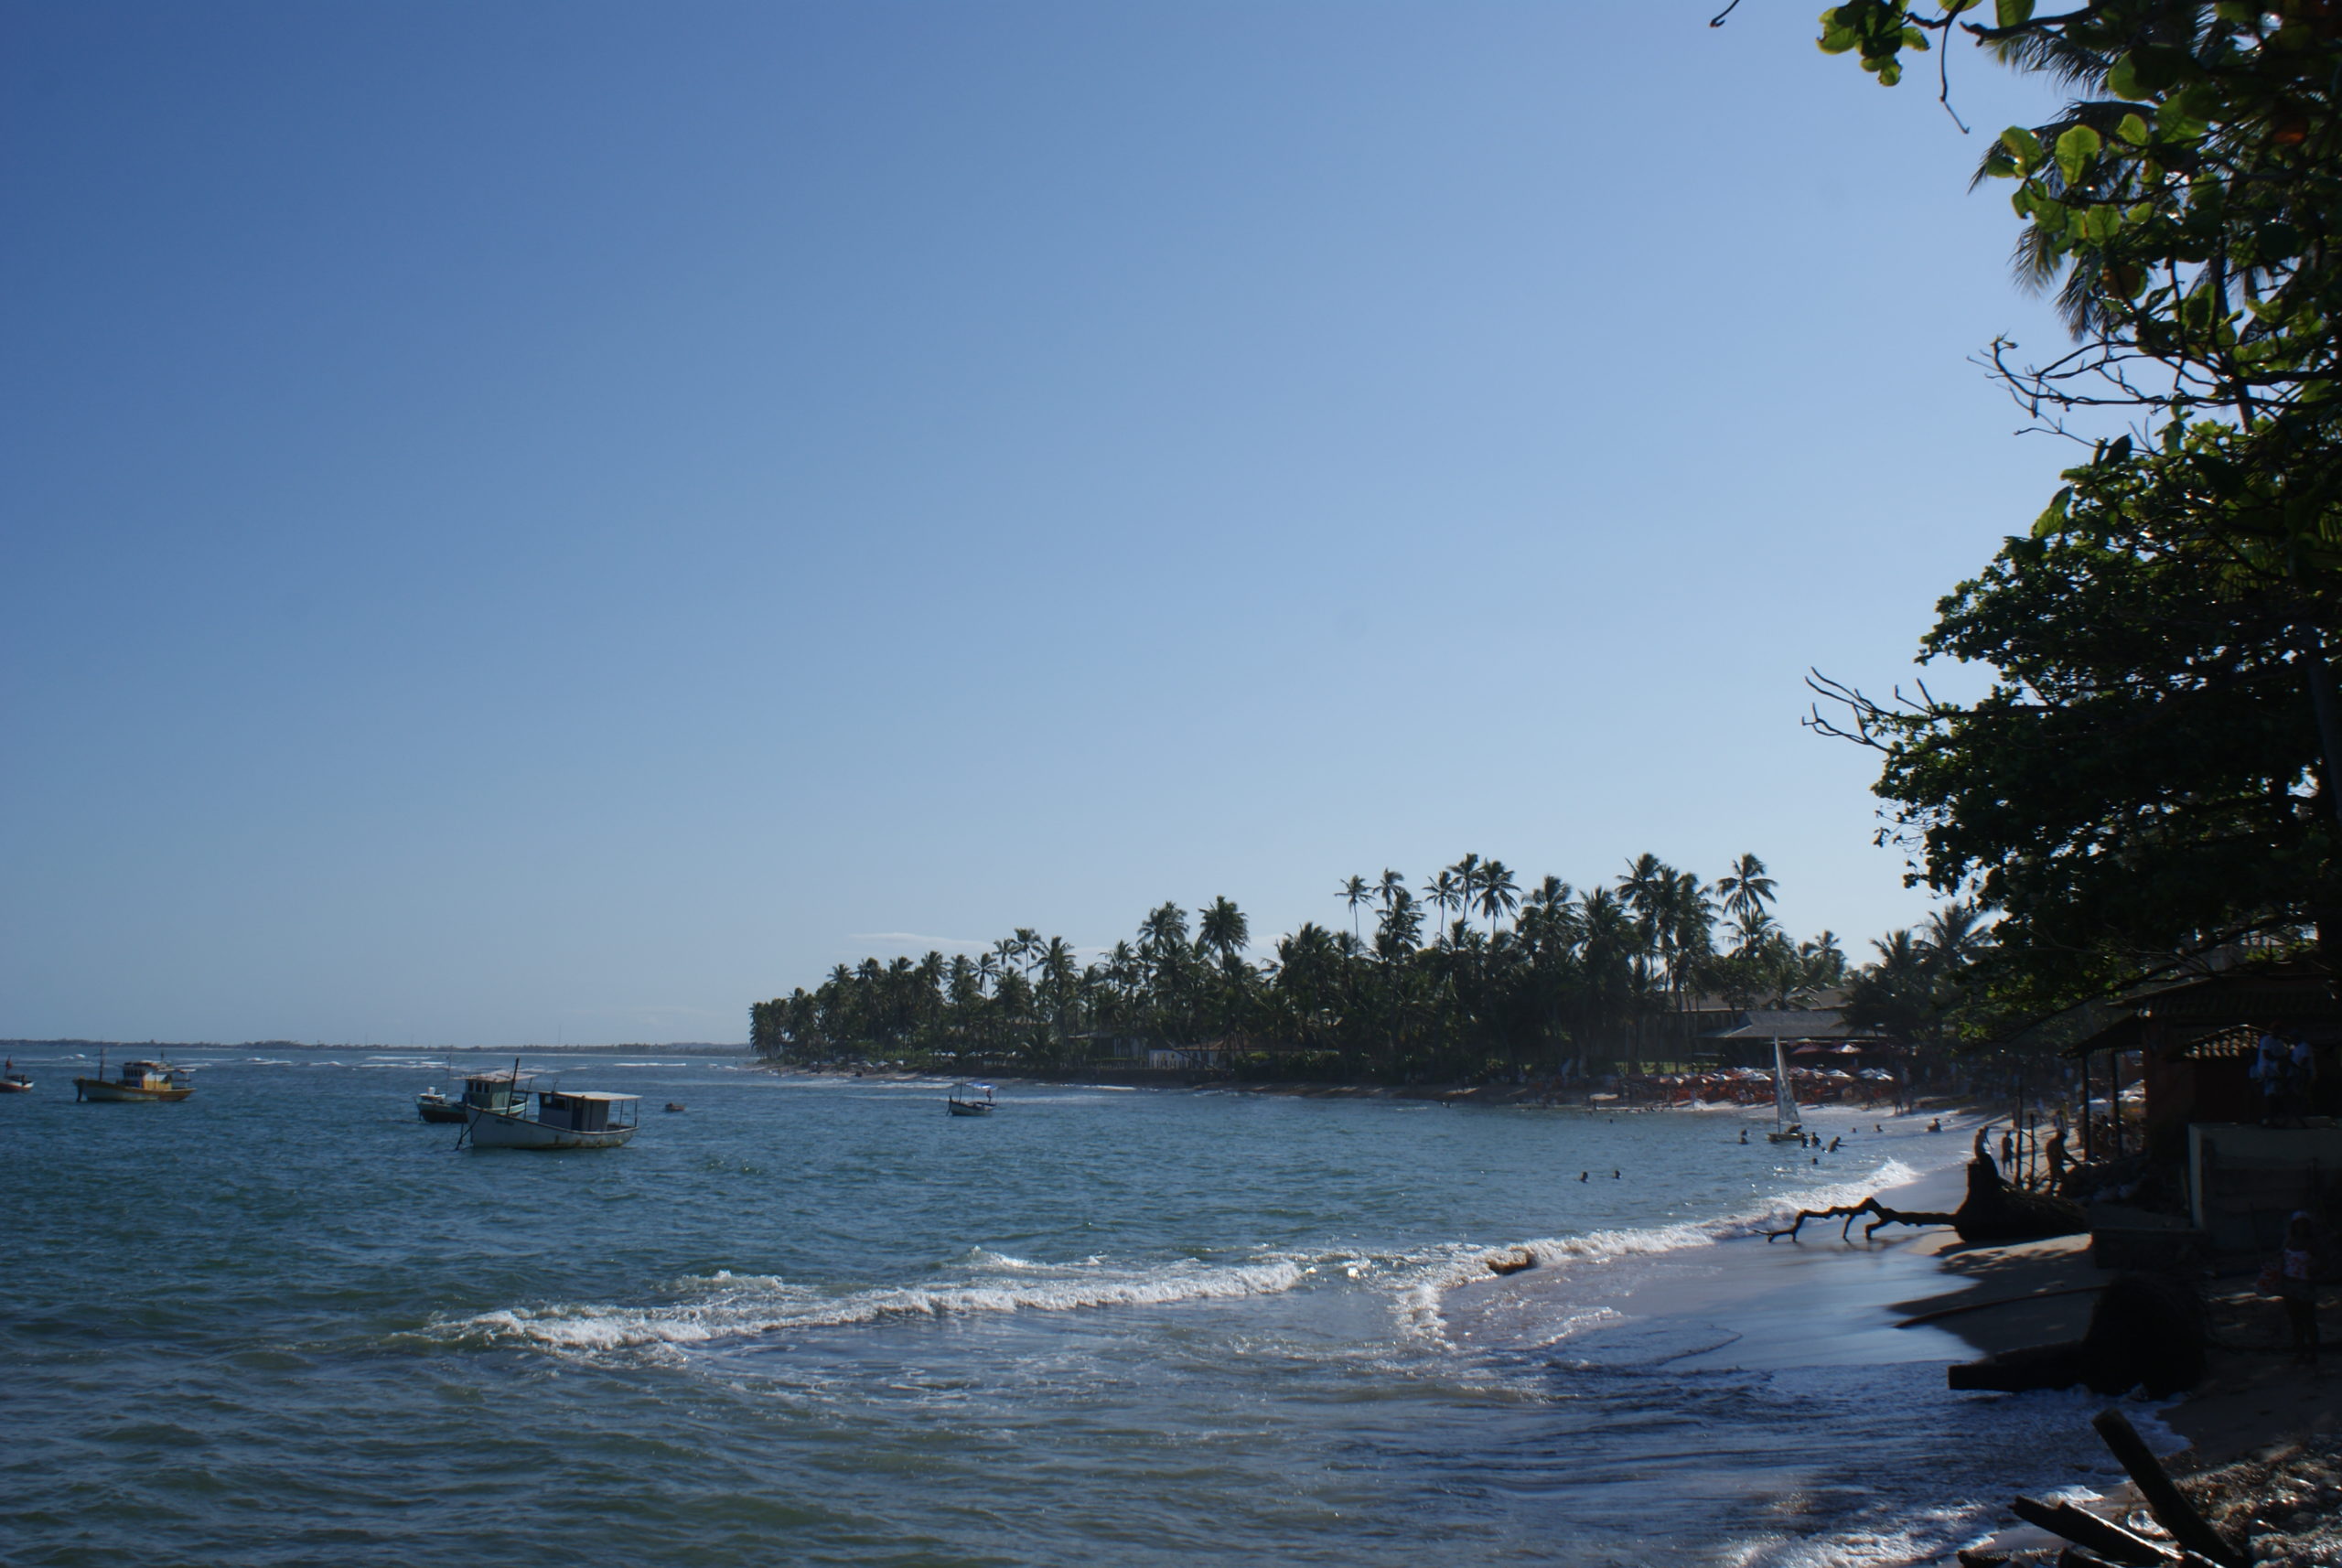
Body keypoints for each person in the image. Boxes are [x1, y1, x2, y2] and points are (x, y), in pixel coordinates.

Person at [2280, 1212, 2319, 1366]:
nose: (2301, 1227)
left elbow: (2324, 1262)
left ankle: (2314, 1353)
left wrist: (2314, 1269)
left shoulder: (2313, 1243)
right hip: (2290, 1286)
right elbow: (2281, 1260)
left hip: (2306, 1286)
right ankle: (2300, 1352)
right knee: (2295, 1321)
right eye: (2298, 1224)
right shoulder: (2288, 1241)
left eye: (2304, 1224)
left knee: (2309, 1321)